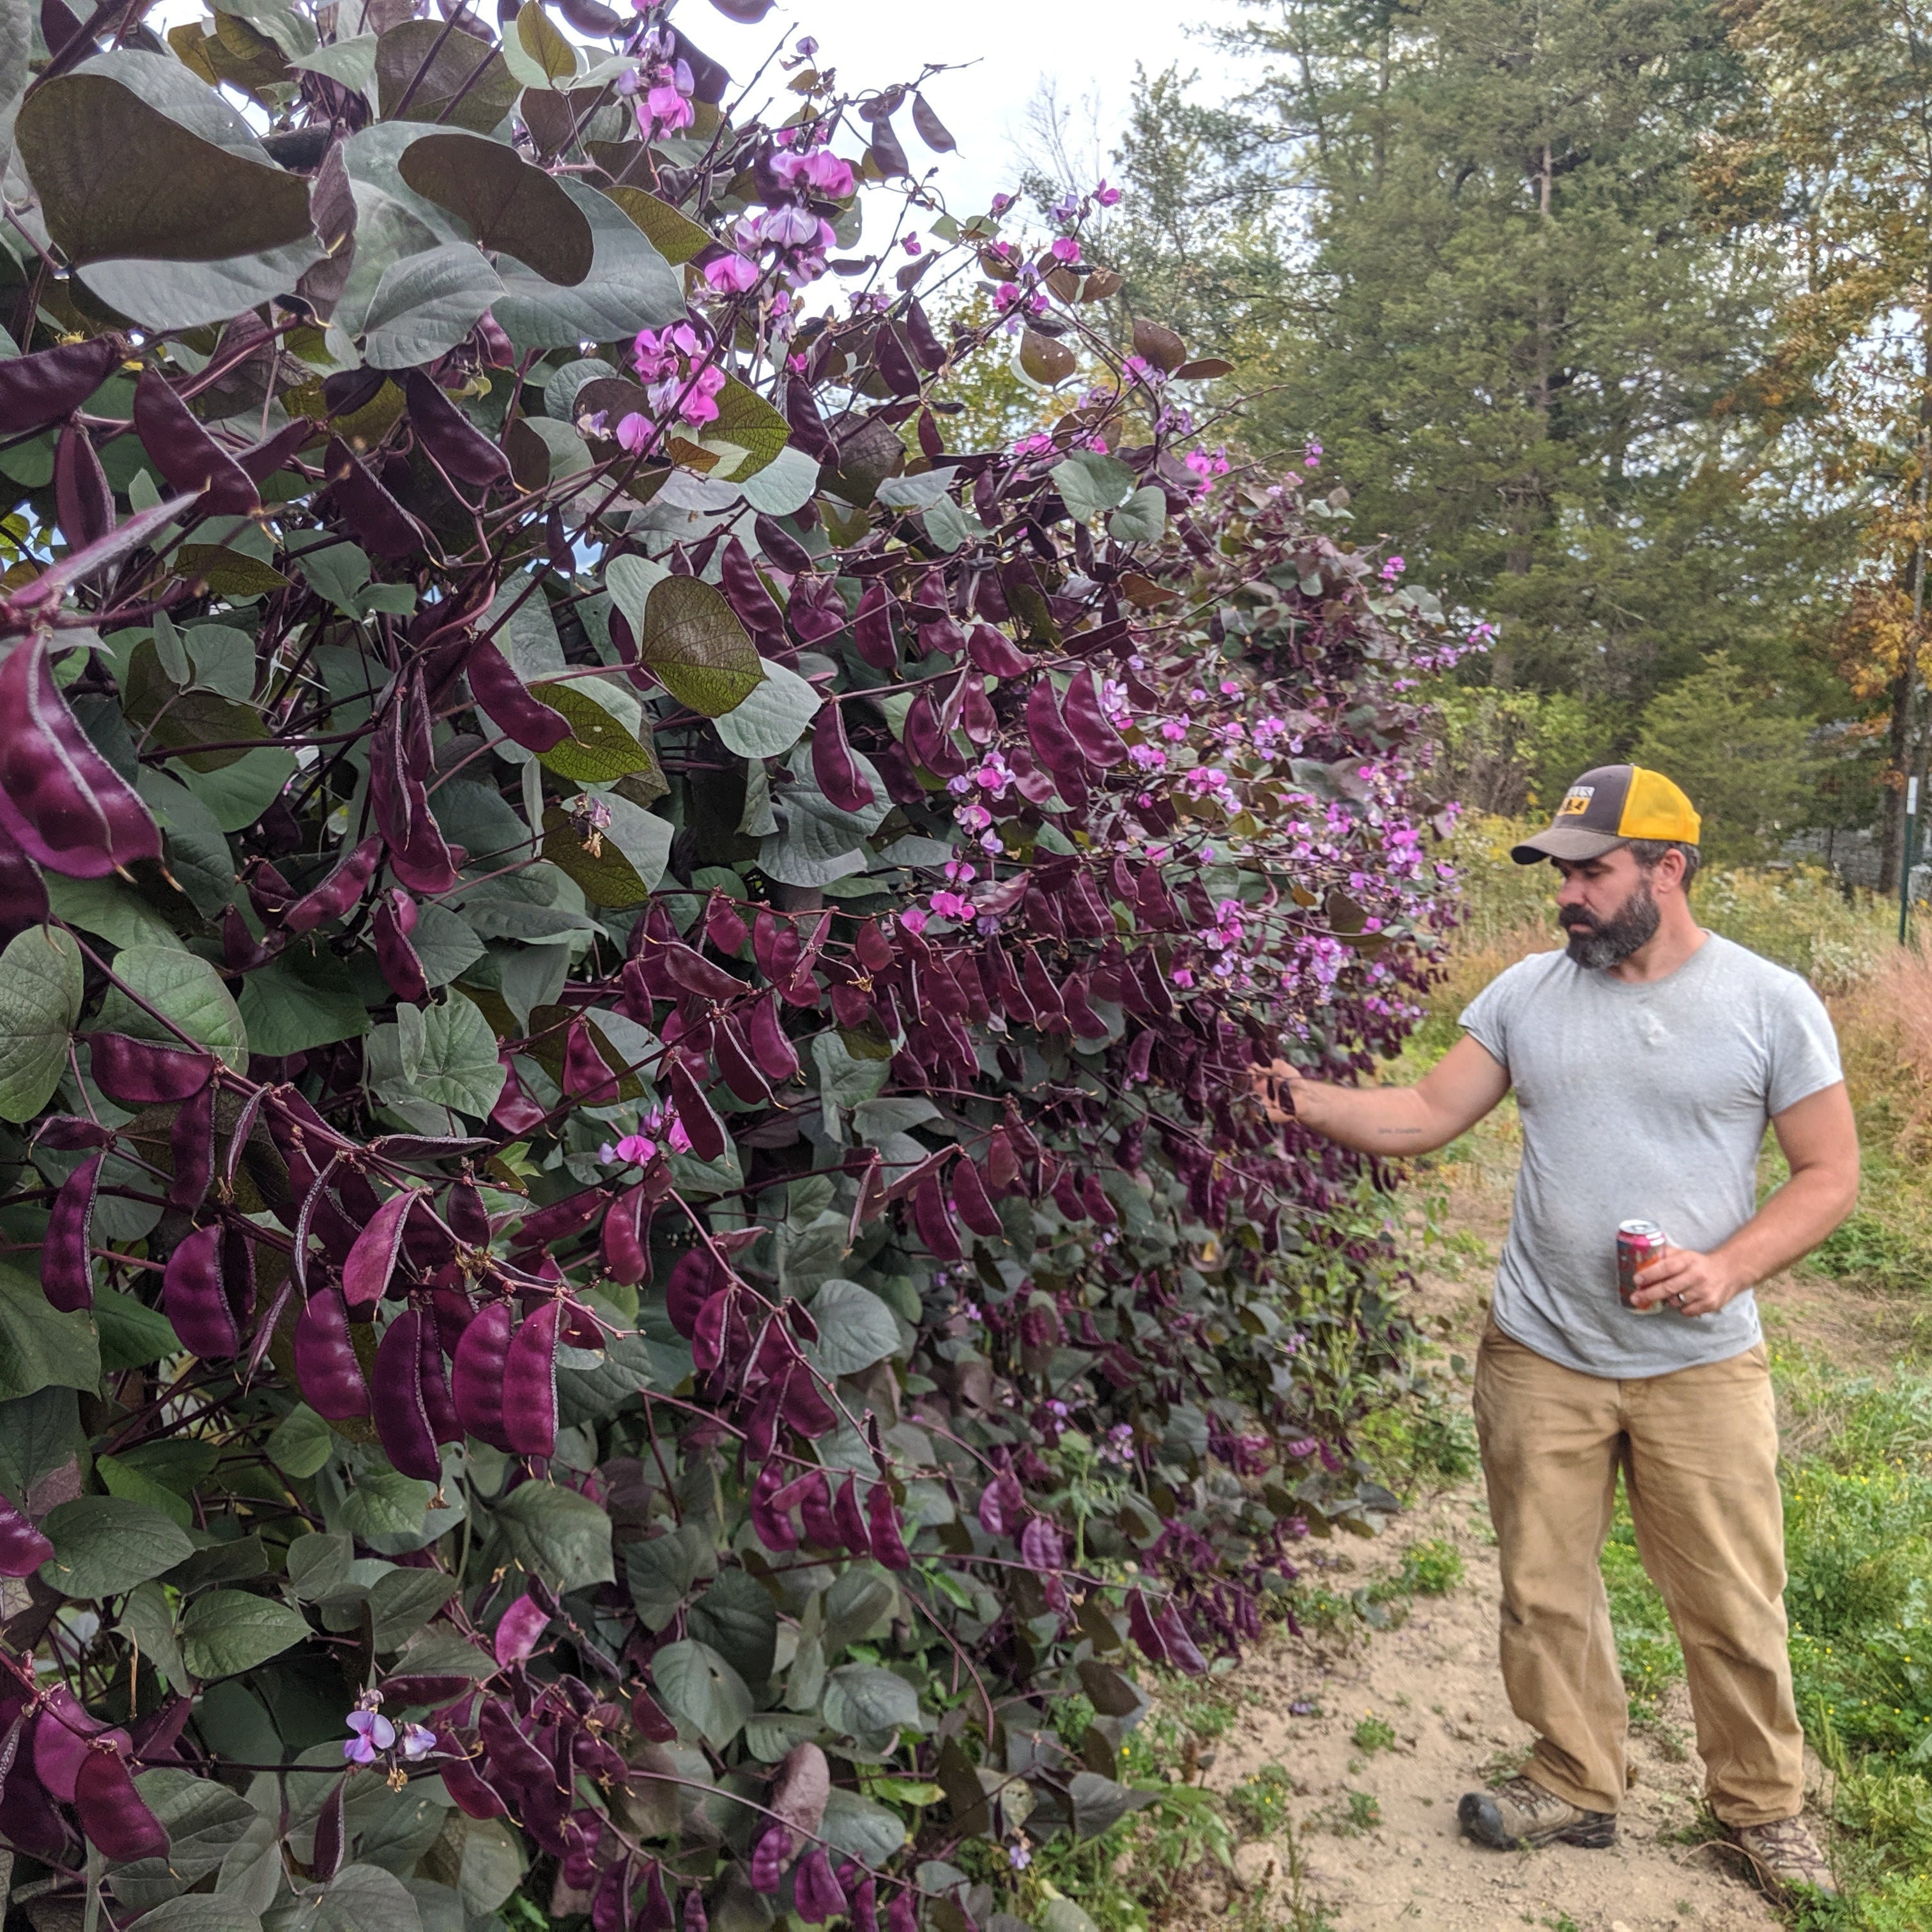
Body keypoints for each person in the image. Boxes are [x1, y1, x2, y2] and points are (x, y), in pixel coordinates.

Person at [1254, 765, 1859, 1903]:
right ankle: (1576, 1782)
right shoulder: (1528, 995)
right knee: (1544, 1590)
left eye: (1591, 872)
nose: (1568, 897)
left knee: (1730, 1601)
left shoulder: (1768, 1002)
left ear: (1666, 869)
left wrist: (1726, 1266)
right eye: (1562, 875)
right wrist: (1311, 1100)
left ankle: (1761, 1810)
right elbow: (1427, 1115)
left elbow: (1830, 1175)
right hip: (1539, 1349)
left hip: (1702, 1364)